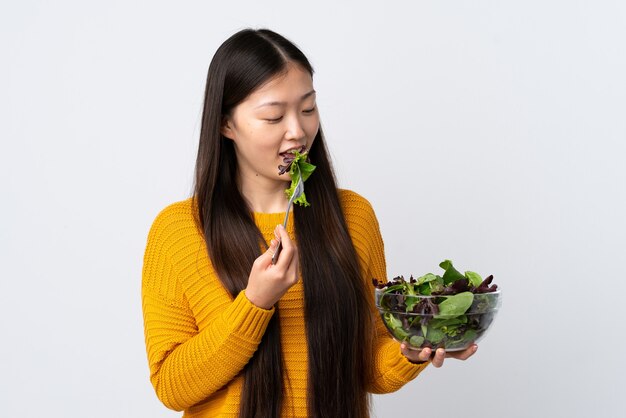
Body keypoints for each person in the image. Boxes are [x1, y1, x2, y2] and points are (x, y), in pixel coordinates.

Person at [141, 28, 477, 418]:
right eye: (272, 116)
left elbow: (368, 366)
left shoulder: (353, 217)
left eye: (307, 109)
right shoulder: (179, 230)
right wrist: (255, 302)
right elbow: (172, 387)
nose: (298, 132)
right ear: (225, 125)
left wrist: (411, 350)